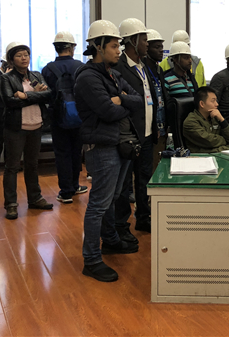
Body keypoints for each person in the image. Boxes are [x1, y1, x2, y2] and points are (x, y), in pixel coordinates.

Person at [76, 20, 143, 283]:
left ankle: (111, 241)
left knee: (113, 198)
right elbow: (107, 111)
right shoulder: (88, 77)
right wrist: (123, 103)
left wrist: (121, 99)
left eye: (119, 46)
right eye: (114, 46)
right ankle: (91, 260)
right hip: (103, 147)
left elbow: (139, 99)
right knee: (99, 205)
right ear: (98, 46)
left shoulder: (112, 74)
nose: (119, 51)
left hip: (120, 144)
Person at [0, 41, 54, 220]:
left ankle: (35, 198)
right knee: (12, 167)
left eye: (26, 54)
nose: (24, 58)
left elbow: (49, 95)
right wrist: (36, 95)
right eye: (19, 55)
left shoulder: (36, 75)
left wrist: (25, 95)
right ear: (11, 59)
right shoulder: (6, 78)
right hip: (16, 128)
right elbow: (10, 101)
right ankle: (11, 204)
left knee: (32, 165)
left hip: (36, 125)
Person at [113, 18, 157, 237]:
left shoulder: (144, 65)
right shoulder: (118, 67)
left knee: (144, 179)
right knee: (123, 185)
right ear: (132, 40)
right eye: (144, 40)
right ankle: (121, 225)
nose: (148, 44)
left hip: (146, 133)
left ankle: (143, 218)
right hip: (128, 135)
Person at [41, 31, 87, 204]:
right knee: (76, 151)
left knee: (62, 153)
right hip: (79, 116)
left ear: (56, 48)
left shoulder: (47, 69)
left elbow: (45, 95)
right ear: (72, 47)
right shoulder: (81, 67)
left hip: (57, 117)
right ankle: (75, 185)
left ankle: (66, 192)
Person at [183, 86, 229, 153]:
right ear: (202, 104)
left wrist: (222, 120)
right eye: (213, 101)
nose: (217, 104)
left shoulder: (214, 117)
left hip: (218, 153)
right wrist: (225, 142)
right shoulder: (191, 122)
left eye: (216, 101)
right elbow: (209, 142)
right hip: (202, 156)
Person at [144, 29, 167, 171]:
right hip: (149, 130)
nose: (161, 50)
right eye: (156, 47)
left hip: (162, 127)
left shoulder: (159, 71)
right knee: (148, 169)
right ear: (147, 48)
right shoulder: (142, 70)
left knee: (160, 167)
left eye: (162, 47)